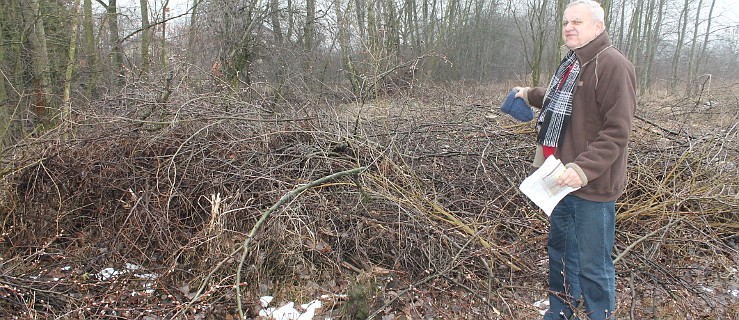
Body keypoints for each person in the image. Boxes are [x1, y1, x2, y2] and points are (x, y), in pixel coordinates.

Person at [514, 1, 636, 319]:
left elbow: (617, 132)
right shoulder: (573, 62)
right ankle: (561, 312)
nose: (569, 27)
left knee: (593, 263)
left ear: (598, 27)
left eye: (577, 21)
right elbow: (562, 98)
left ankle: (599, 315)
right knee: (562, 255)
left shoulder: (612, 64)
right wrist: (528, 94)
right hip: (558, 180)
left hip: (591, 186)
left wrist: (583, 169)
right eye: (566, 21)